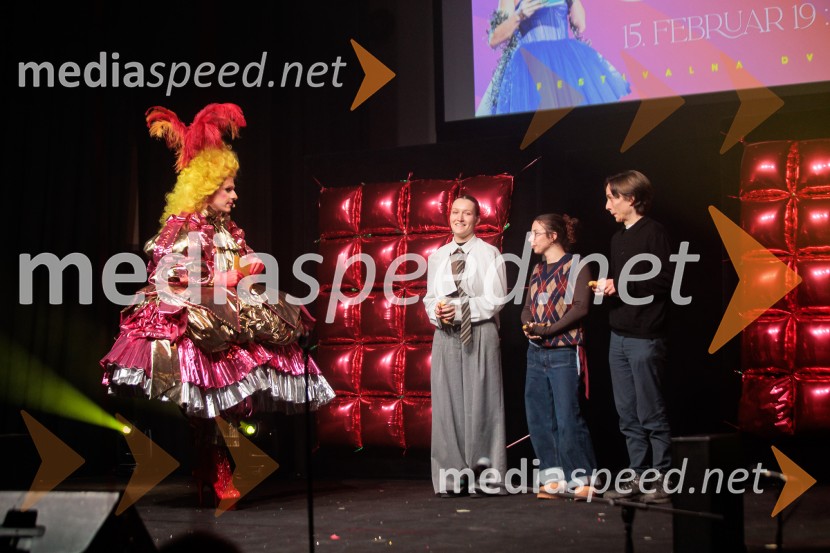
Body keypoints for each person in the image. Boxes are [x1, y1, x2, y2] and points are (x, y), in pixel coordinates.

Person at [100, 103, 335, 507]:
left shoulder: (228, 227)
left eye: (232, 187)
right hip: (195, 317)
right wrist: (229, 277)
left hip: (229, 315)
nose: (234, 195)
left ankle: (212, 465)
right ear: (206, 189)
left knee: (234, 393)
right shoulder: (184, 225)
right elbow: (171, 275)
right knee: (206, 398)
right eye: (227, 188)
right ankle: (212, 467)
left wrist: (251, 265)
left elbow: (239, 263)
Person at [596, 170, 673, 504]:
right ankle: (638, 475)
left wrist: (620, 285)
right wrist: (610, 288)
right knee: (627, 413)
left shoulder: (654, 232)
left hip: (645, 335)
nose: (607, 205)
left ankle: (663, 478)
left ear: (630, 198)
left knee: (650, 411)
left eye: (611, 198)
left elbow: (665, 280)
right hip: (619, 335)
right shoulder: (618, 238)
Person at [424, 195, 508, 497]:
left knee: (483, 404)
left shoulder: (489, 253)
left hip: (480, 332)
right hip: (445, 335)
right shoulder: (438, 256)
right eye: (455, 212)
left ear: (477, 219)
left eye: (467, 213)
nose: (460, 218)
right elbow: (430, 298)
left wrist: (458, 310)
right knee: (447, 408)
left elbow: (495, 299)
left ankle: (485, 478)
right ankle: (452, 479)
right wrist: (438, 312)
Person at [520, 213, 598, 499]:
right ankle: (553, 479)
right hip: (536, 353)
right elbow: (527, 308)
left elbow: (580, 307)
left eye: (536, 233)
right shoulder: (538, 269)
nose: (531, 239)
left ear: (553, 236)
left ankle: (582, 478)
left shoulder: (577, 264)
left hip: (564, 351)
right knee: (539, 417)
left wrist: (548, 330)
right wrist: (529, 327)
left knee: (567, 417)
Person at [481, 0, 630, 115]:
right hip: (531, 69)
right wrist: (519, 15)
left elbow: (580, 24)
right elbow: (494, 39)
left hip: (564, 64)